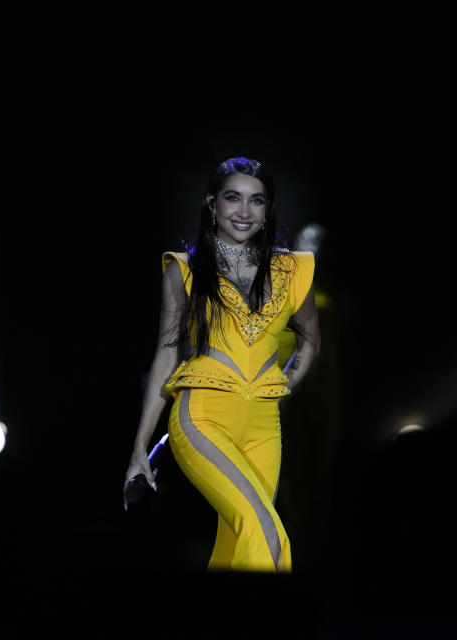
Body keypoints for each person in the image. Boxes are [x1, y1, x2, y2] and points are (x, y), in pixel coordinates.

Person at [123, 157, 321, 573]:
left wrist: (278, 391)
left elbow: (309, 343)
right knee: (266, 534)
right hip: (203, 417)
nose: (245, 211)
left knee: (237, 549)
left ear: (268, 210)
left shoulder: (293, 270)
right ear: (212, 204)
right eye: (233, 198)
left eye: (257, 201)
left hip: (265, 427)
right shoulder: (186, 269)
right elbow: (166, 353)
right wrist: (141, 446)